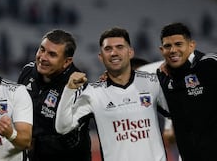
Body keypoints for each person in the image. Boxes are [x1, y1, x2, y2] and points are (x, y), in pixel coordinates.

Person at [55, 27, 169, 161]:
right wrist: (68, 90)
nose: (114, 53)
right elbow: (62, 127)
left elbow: (180, 111)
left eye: (120, 47)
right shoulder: (93, 93)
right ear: (100, 56)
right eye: (108, 49)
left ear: (130, 52)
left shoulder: (152, 82)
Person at [18, 29, 92, 161]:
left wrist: (35, 140)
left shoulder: (79, 87)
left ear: (67, 62)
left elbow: (67, 134)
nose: (43, 57)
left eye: (52, 54)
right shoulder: (28, 71)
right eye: (42, 49)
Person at [157, 22, 217, 161]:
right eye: (167, 46)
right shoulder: (163, 77)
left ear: (191, 45)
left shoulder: (210, 64)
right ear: (162, 50)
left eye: (179, 44)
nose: (173, 50)